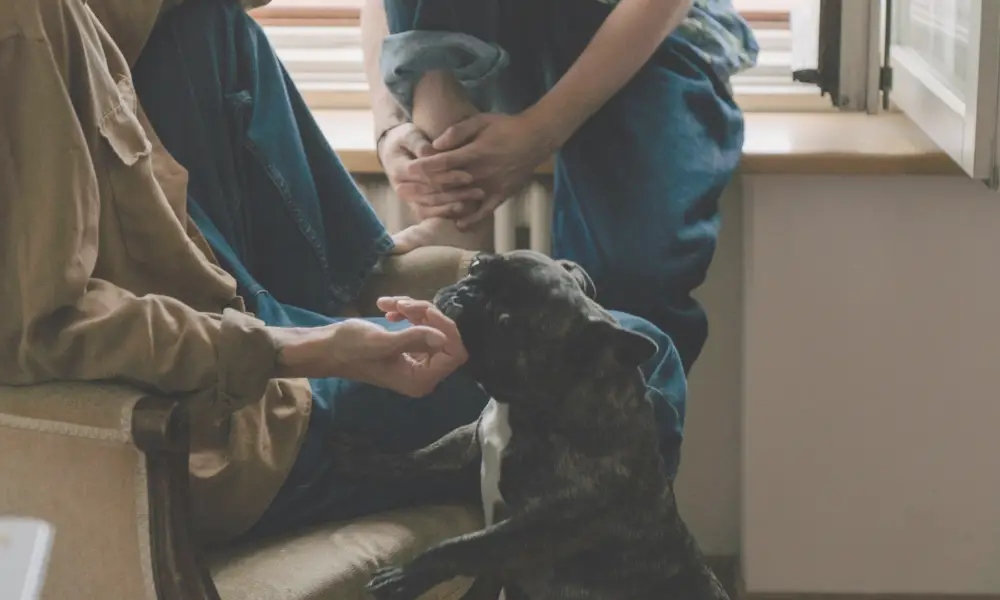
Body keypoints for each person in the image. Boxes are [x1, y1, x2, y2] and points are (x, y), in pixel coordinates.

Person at [0, 0, 686, 546]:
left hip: (268, 326)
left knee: (207, 26)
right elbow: (38, 327)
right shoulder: (25, 28)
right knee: (635, 367)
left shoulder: (142, 28)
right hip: (228, 409)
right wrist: (311, 349)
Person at [366, 0, 758, 375]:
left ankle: (619, 436)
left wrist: (540, 132)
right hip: (496, 42)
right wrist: (391, 126)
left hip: (650, 38)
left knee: (627, 298)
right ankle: (454, 213)